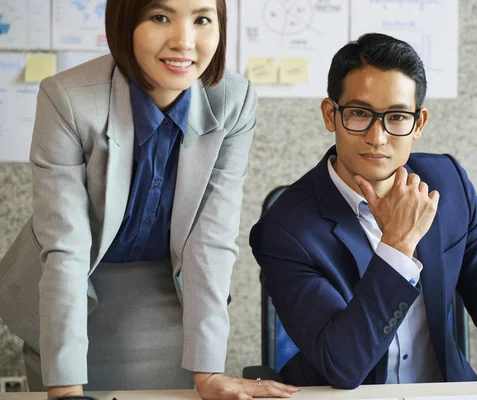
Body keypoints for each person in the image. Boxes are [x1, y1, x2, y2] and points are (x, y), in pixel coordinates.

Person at [250, 33, 477, 389]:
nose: (377, 137)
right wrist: (397, 247)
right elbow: (343, 364)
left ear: (418, 124)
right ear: (331, 114)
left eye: (397, 117)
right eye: (358, 113)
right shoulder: (284, 229)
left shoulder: (448, 184)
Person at [0, 0, 298, 399]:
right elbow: (66, 248)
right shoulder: (67, 98)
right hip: (72, 288)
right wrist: (66, 390)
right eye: (160, 17)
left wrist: (208, 372)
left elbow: (210, 240)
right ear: (125, 23)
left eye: (202, 19)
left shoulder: (234, 99)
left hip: (169, 290)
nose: (184, 41)